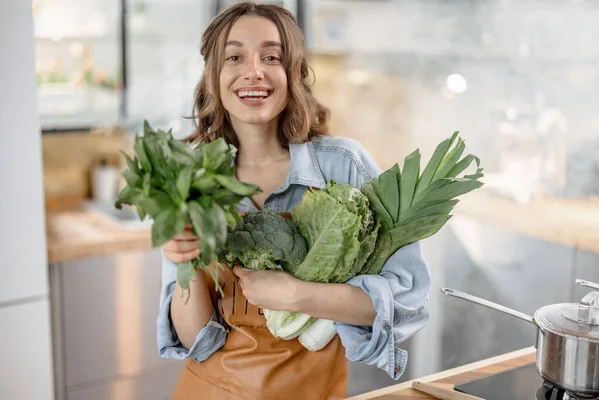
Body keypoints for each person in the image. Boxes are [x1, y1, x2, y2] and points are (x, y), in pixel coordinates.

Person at [157, 3, 430, 399]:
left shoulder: (344, 165)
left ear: (294, 74)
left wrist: (298, 295)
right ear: (214, 78)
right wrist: (182, 263)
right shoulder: (189, 180)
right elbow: (196, 339)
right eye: (234, 57)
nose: (254, 71)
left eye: (272, 57)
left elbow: (408, 303)